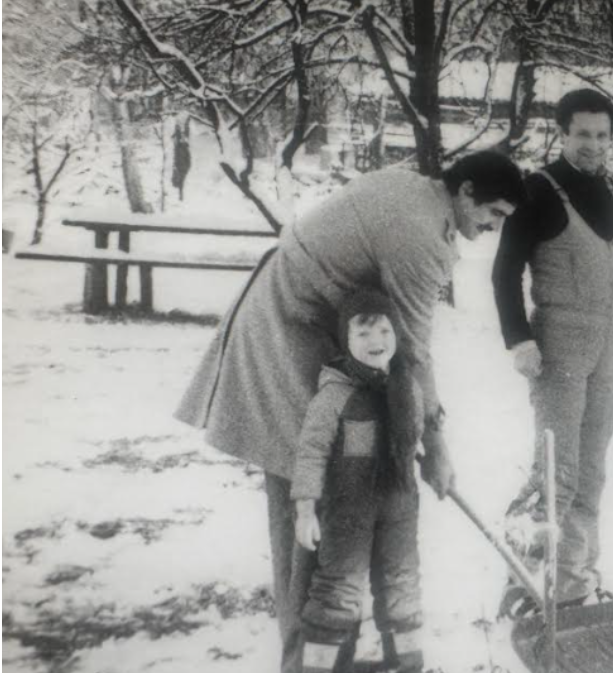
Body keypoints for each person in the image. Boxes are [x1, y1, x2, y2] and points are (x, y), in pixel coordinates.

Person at [175, 151, 527, 673]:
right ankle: (306, 661)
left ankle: (324, 654)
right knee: (311, 489)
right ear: (466, 191)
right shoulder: (420, 234)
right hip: (287, 330)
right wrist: (437, 444)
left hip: (314, 326)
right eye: (492, 213)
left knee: (340, 487)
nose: (493, 227)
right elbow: (411, 349)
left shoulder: (416, 192)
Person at [492, 89, 613, 617]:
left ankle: (574, 584)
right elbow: (505, 268)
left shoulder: (611, 190)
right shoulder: (539, 189)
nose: (593, 145)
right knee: (556, 470)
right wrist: (519, 339)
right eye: (582, 134)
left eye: (603, 135)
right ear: (561, 132)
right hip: (558, 340)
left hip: (604, 343)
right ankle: (523, 583)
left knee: (593, 468)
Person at [292, 291, 424, 673]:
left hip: (399, 507)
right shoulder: (334, 394)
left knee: (402, 587)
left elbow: (417, 434)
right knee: (338, 591)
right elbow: (311, 452)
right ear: (345, 340)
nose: (376, 341)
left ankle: (408, 664)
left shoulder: (407, 387)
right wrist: (305, 509)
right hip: (348, 513)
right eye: (363, 333)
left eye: (384, 330)